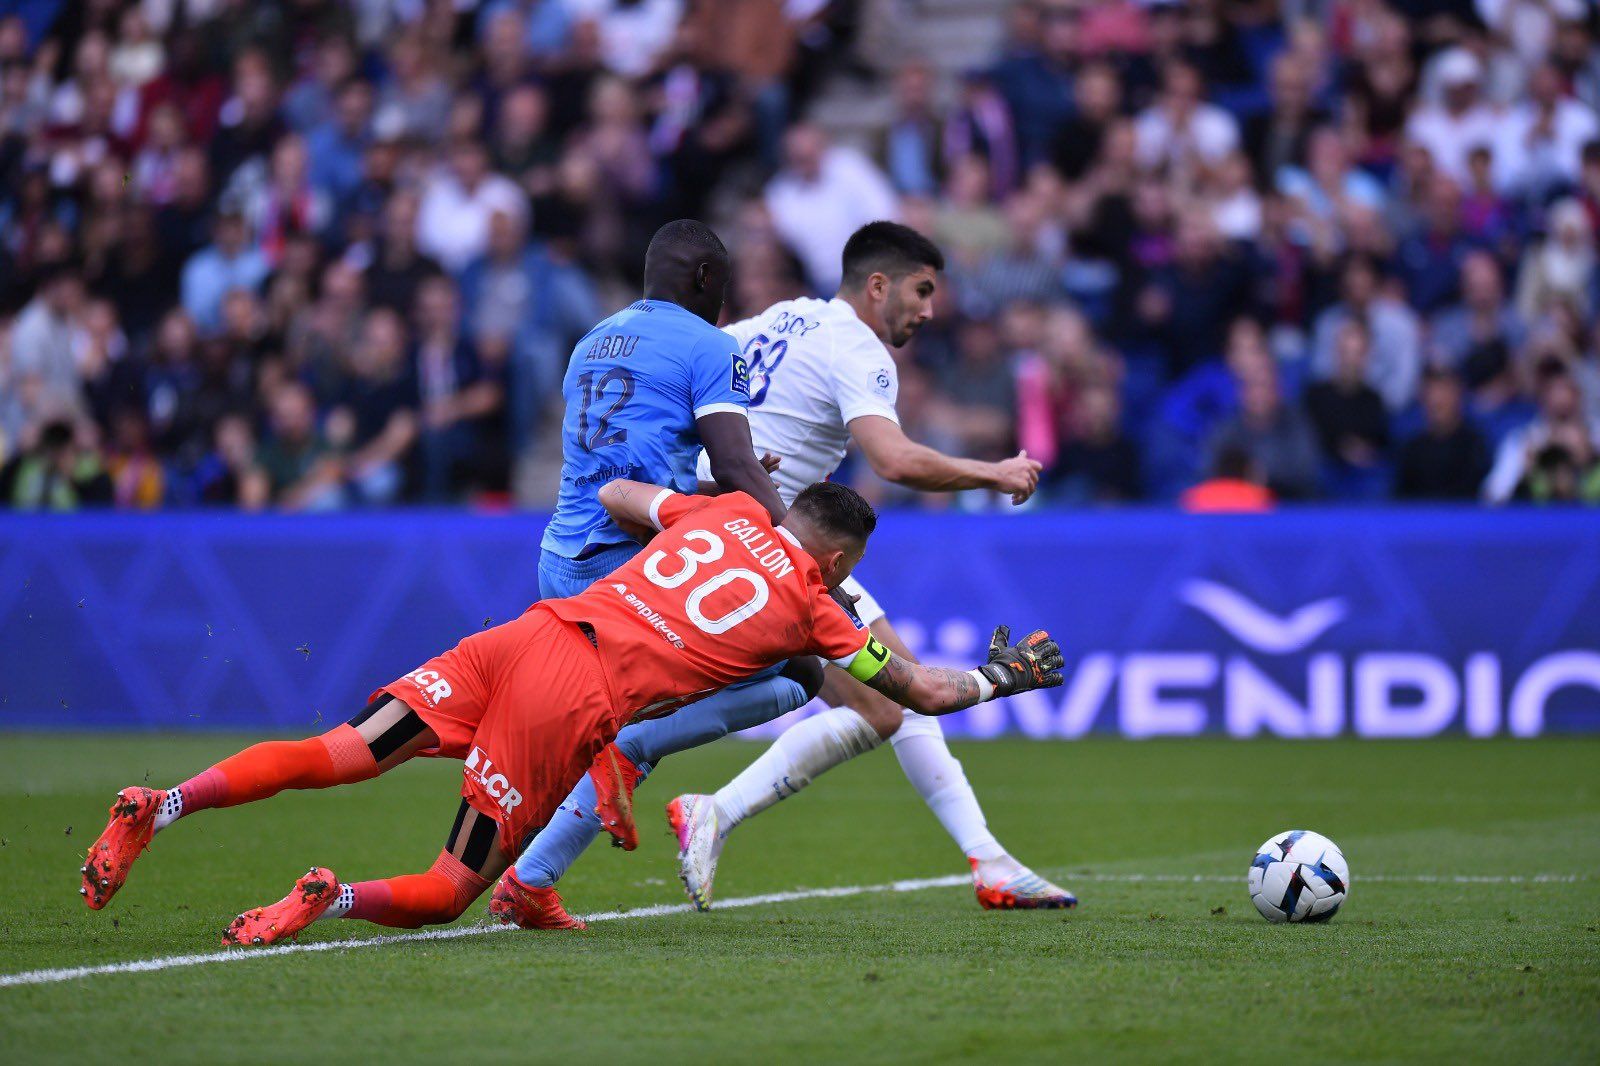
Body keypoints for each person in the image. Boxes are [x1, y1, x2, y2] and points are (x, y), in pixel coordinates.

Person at [78, 478, 1066, 944]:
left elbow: (622, 493)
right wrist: (1007, 677)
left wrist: (658, 526)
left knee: (333, 749)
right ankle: (324, 899)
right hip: (566, 701)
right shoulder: (817, 607)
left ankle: (162, 804)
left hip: (522, 636)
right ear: (841, 560)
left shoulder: (727, 511)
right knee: (449, 889)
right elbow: (919, 692)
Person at [509, 222, 1070, 920]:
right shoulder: (858, 348)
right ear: (878, 285)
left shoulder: (783, 318)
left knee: (883, 701)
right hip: (762, 542)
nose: (929, 310)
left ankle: (985, 860)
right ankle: (670, 800)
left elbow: (699, 373)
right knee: (855, 687)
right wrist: (996, 472)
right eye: (922, 291)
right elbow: (892, 459)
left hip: (710, 522)